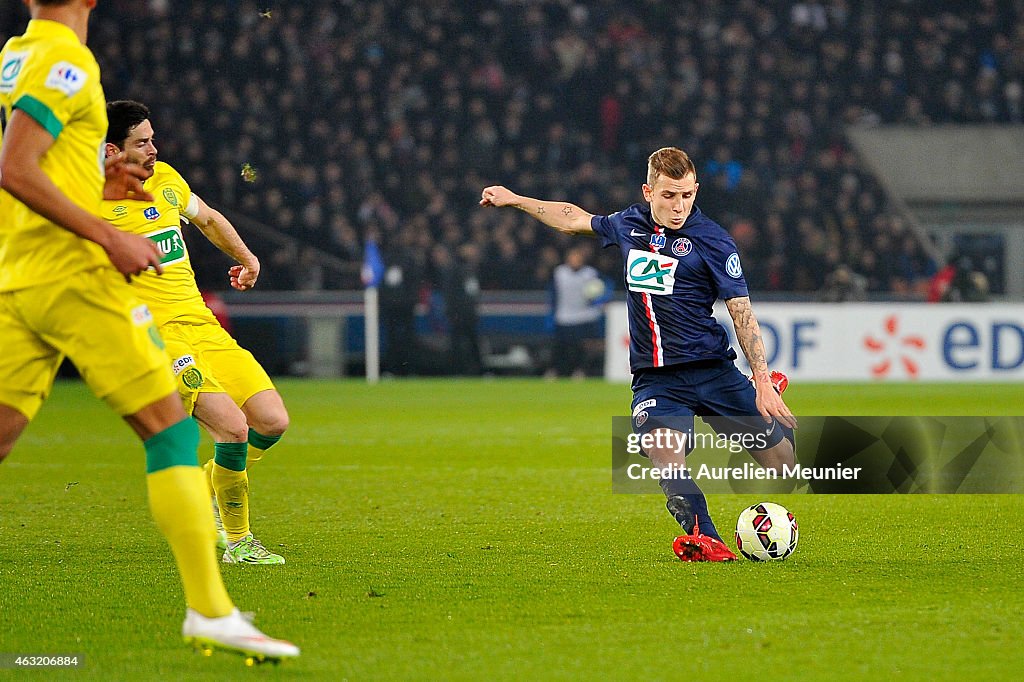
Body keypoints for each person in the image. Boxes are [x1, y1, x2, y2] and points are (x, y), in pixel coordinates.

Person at [0, 0, 296, 659]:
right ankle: (214, 601)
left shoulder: (15, 56)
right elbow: (15, 167)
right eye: (140, 143)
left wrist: (95, 180)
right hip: (76, 283)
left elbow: (33, 164)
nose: (151, 151)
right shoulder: (65, 59)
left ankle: (217, 588)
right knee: (172, 434)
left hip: (22, 273)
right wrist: (107, 231)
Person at [481, 147, 797, 562]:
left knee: (784, 468)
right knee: (665, 454)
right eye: (668, 196)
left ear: (695, 190)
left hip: (712, 371)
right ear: (648, 192)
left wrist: (760, 381)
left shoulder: (715, 241)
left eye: (686, 195)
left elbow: (741, 313)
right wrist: (517, 200)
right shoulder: (627, 224)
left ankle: (769, 393)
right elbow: (573, 218)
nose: (679, 206)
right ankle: (706, 537)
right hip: (657, 380)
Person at [103, 100, 289, 565]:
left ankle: (210, 484)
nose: (154, 148)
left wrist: (248, 259)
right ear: (112, 150)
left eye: (152, 138)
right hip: (155, 335)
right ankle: (239, 541)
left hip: (201, 323)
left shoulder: (165, 179)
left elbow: (206, 218)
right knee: (232, 427)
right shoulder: (86, 202)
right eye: (142, 142)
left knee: (271, 421)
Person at [548, 244, 607, 378]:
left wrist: (597, 301)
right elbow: (553, 294)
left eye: (577, 257)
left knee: (585, 347)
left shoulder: (590, 273)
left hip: (585, 316)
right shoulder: (559, 273)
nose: (575, 260)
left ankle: (581, 371)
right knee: (561, 347)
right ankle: (556, 371)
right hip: (564, 316)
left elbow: (601, 290)